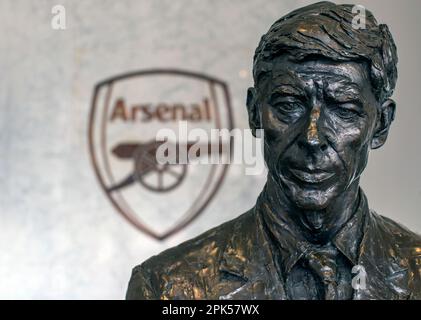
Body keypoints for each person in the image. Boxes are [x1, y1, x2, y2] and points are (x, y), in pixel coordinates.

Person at [126, 1, 421, 300]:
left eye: (343, 110)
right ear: (255, 112)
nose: (312, 137)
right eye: (288, 106)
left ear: (381, 124)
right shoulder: (168, 287)